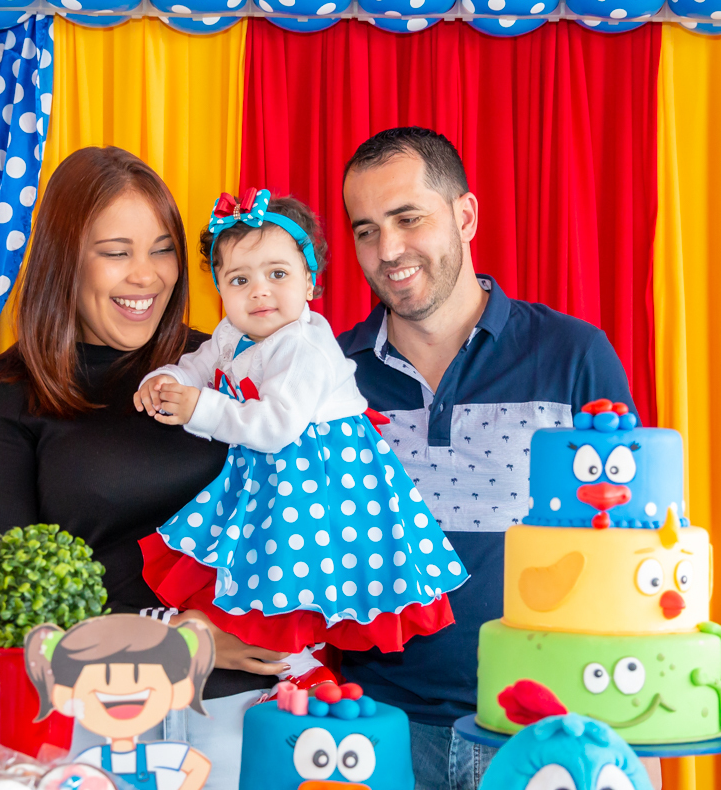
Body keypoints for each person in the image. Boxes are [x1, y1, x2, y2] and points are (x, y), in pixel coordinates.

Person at [0, 146, 287, 790]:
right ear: (64, 262)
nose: (147, 276)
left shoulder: (229, 366)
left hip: (247, 716)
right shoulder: (7, 398)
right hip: (92, 727)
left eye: (162, 250)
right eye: (116, 252)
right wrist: (172, 636)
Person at [336, 127, 639, 790]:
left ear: (465, 215)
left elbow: (628, 544)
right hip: (376, 731)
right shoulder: (327, 377)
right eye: (366, 230)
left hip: (544, 733)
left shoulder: (574, 355)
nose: (388, 250)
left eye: (408, 219)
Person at [132, 189, 469, 688]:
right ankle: (287, 663)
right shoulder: (232, 333)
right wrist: (164, 381)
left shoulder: (303, 344)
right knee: (262, 565)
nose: (259, 292)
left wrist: (200, 408)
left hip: (325, 477)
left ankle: (300, 665)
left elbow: (275, 426)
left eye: (278, 274)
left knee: (298, 570)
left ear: (309, 282)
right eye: (240, 280)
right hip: (279, 467)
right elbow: (196, 367)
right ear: (220, 289)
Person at [24, 615, 216, 790]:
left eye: (137, 676)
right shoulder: (91, 759)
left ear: (178, 691)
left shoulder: (155, 755)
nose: (122, 690)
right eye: (106, 678)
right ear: (66, 695)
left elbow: (197, 766)